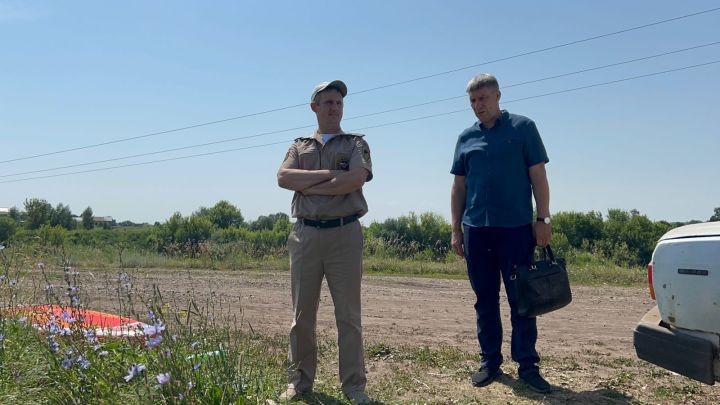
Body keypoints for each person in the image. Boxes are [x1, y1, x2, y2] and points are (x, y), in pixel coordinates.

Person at [450, 73, 553, 393]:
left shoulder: (523, 128)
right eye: (472, 101)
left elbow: (538, 176)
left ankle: (527, 365)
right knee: (484, 299)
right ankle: (490, 362)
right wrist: (456, 229)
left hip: (516, 229)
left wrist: (543, 219)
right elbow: (458, 188)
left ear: (497, 96)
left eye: (482, 99)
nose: (477, 106)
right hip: (476, 230)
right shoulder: (466, 137)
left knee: (521, 300)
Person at [277, 80, 373, 404]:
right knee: (301, 315)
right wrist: (328, 176)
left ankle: (354, 387)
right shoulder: (299, 145)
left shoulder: (355, 143)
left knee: (348, 316)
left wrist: (307, 182)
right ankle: (299, 383)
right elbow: (282, 177)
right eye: (328, 102)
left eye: (339, 103)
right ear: (314, 107)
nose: (335, 107)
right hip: (305, 235)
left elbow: (354, 179)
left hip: (345, 233)